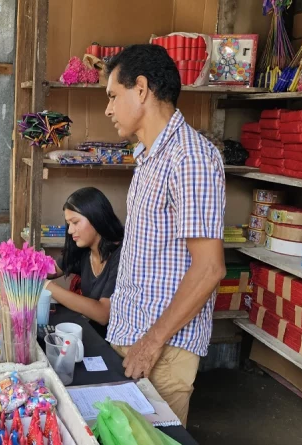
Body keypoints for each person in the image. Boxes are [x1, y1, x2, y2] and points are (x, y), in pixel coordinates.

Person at [103, 44, 226, 426]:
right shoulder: (149, 157)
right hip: (133, 334)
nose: (108, 109)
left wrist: (151, 343)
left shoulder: (189, 158)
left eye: (112, 96)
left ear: (141, 89)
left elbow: (209, 269)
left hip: (163, 348)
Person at [45, 187, 123, 338]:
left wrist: (48, 286)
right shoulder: (83, 251)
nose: (70, 230)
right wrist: (22, 266)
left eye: (75, 222)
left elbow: (103, 314)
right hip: (91, 334)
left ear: (97, 218)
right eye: (68, 224)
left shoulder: (121, 255)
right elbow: (51, 269)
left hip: (114, 344)